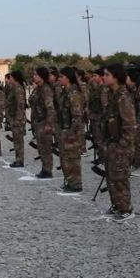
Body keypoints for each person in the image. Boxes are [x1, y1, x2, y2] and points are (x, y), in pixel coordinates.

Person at [101, 64, 137, 220]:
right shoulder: (113, 95)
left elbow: (130, 124)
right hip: (112, 143)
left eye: (107, 74)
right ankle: (117, 205)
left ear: (116, 77)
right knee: (111, 176)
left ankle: (126, 208)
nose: (104, 77)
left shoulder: (123, 97)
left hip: (120, 145)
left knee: (120, 177)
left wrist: (124, 145)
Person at [55, 67, 85, 195]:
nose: (59, 79)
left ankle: (76, 183)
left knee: (72, 158)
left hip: (71, 131)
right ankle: (70, 181)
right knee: (65, 158)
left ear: (67, 78)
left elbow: (77, 116)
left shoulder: (74, 93)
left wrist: (73, 133)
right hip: (64, 129)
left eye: (61, 77)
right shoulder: (65, 92)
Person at [31, 68, 57, 179]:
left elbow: (50, 108)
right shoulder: (38, 89)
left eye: (36, 75)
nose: (34, 77)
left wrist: (49, 124)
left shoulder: (46, 89)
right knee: (41, 147)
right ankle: (44, 168)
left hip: (44, 121)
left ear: (41, 76)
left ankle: (48, 170)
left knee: (45, 147)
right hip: (38, 121)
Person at [5, 70, 27, 167]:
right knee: (16, 140)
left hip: (18, 119)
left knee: (18, 140)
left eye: (10, 77)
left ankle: (20, 160)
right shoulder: (14, 88)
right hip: (14, 118)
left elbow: (20, 104)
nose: (9, 80)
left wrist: (18, 119)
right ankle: (18, 159)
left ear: (14, 78)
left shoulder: (18, 89)